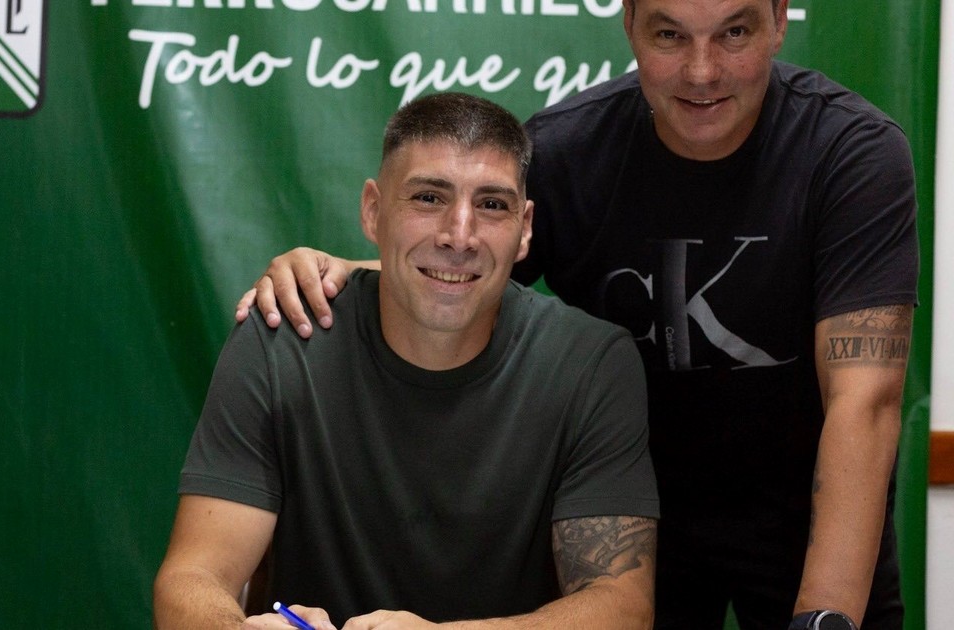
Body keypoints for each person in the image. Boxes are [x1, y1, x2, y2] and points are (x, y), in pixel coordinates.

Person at [235, 1, 919, 629]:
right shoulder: (568, 151)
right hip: (631, 516)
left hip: (813, 509)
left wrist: (825, 617)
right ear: (629, 26)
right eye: (669, 36)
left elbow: (865, 402)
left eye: (734, 33)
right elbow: (462, 272)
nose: (703, 71)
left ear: (779, 21)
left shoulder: (851, 153)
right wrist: (337, 272)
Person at [154, 92, 660, 630]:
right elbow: (193, 578)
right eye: (428, 198)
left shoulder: (590, 363)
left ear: (526, 227)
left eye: (492, 205)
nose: (459, 236)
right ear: (373, 211)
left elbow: (621, 605)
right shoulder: (283, 334)